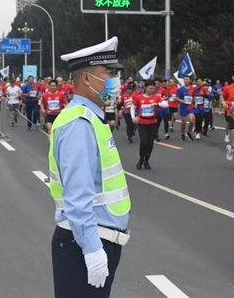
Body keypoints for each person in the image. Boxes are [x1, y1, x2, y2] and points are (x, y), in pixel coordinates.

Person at [49, 36, 131, 297]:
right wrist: (92, 248)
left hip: (94, 239)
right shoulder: (79, 124)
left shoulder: (92, 117)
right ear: (86, 79)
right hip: (84, 242)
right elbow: (77, 194)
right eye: (109, 73)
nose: (116, 81)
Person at [131, 79, 168, 169]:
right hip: (142, 122)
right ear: (145, 87)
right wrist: (133, 117)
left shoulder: (156, 97)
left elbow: (166, 104)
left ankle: (146, 160)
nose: (152, 90)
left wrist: (157, 104)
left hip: (152, 122)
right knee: (144, 142)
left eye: (153, 88)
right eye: (150, 88)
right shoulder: (139, 97)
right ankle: (141, 159)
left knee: (150, 143)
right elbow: (133, 107)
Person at [176, 76, 196, 141]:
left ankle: (189, 132)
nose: (186, 81)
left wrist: (195, 102)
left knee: (191, 120)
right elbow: (176, 98)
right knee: (183, 122)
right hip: (183, 107)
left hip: (190, 106)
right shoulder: (180, 89)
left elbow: (194, 96)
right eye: (185, 79)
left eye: (187, 79)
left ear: (190, 80)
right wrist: (181, 101)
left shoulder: (193, 88)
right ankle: (182, 133)